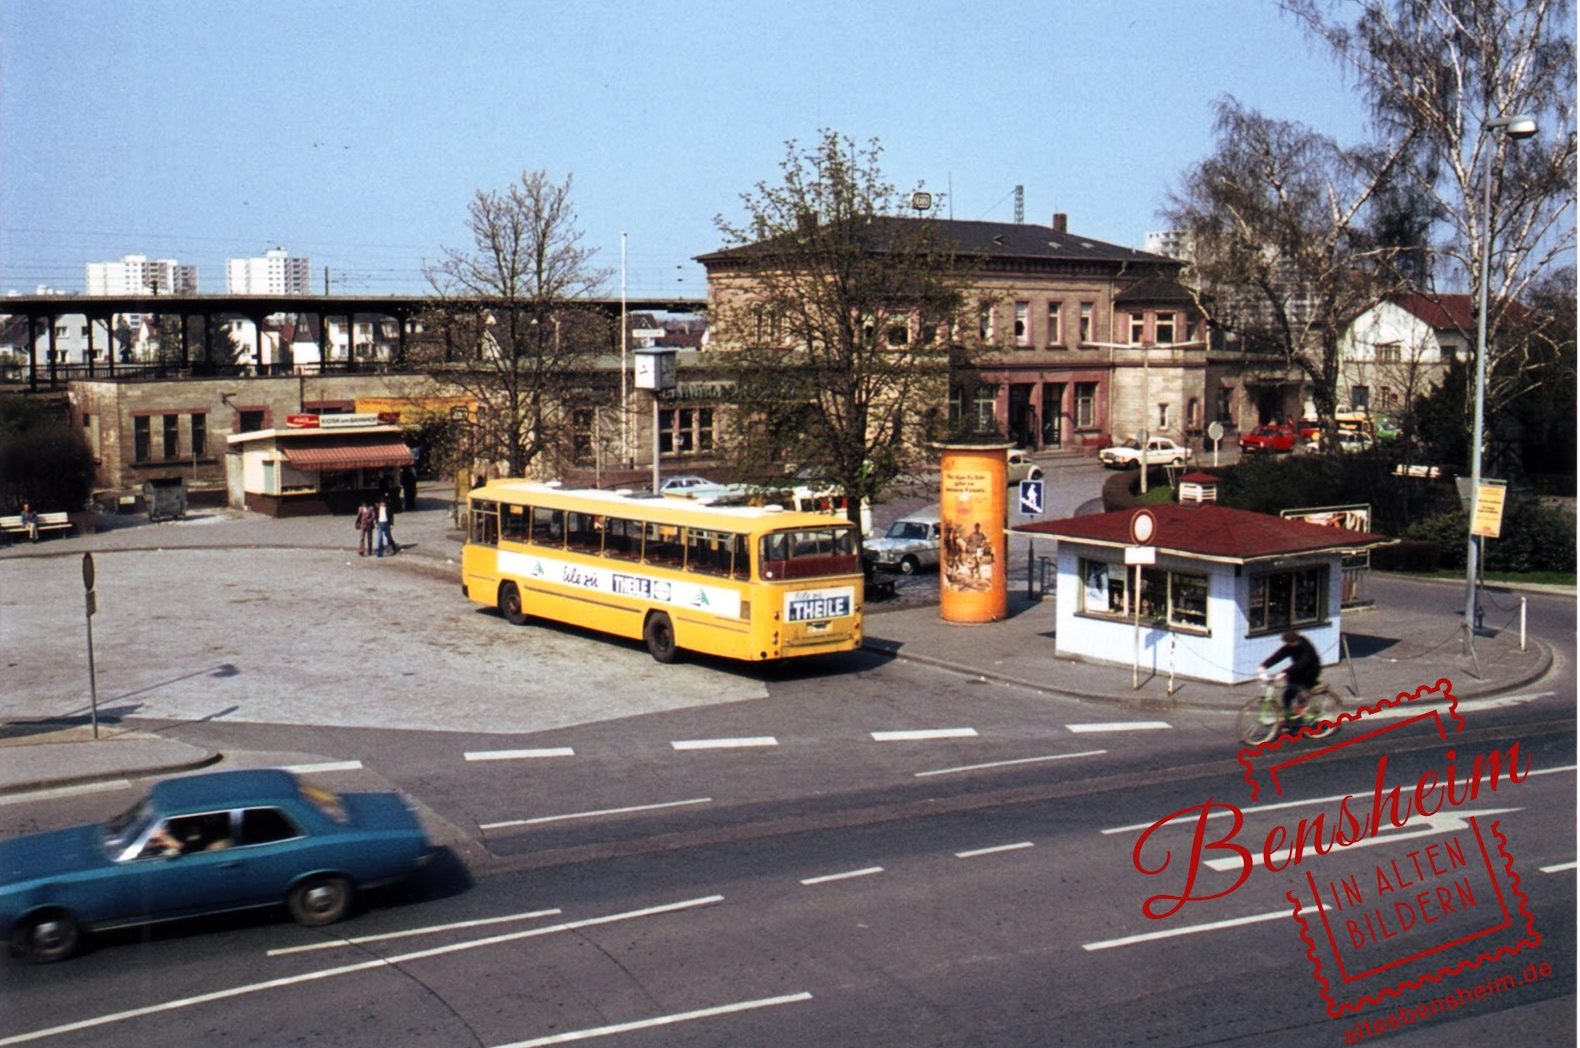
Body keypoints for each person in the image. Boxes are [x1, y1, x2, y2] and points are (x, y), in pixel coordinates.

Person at [1260, 630, 1322, 716]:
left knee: (1300, 689)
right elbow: (1279, 655)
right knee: (1287, 695)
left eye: (1289, 643)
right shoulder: (1290, 646)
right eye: (1287, 643)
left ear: (1295, 641)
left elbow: (1301, 663)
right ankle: (1288, 715)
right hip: (1297, 670)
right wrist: (1264, 665)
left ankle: (1302, 705)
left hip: (1311, 670)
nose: (1287, 645)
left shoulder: (1306, 647)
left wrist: (1285, 672)